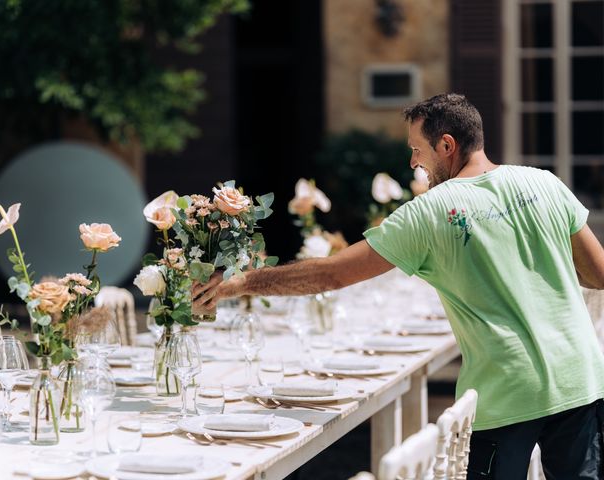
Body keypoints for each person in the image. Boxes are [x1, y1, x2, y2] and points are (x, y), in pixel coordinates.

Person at [193, 93, 604, 479]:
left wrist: (244, 281)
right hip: (580, 376)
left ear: (446, 146)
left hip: (508, 390)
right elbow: (598, 274)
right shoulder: (544, 183)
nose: (413, 163)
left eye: (416, 150)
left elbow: (332, 274)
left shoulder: (429, 212)